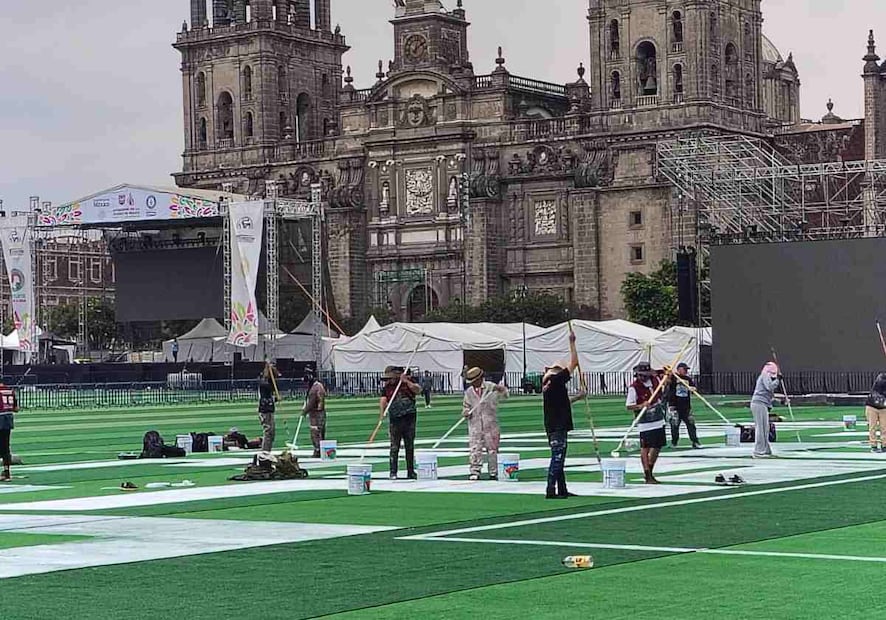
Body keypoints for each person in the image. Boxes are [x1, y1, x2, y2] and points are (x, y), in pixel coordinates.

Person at [542, 331, 586, 499]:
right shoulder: (556, 380)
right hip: (557, 424)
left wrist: (578, 397)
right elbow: (574, 363)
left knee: (559, 456)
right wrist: (572, 343)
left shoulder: (548, 384)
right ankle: (550, 489)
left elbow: (562, 402)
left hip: (553, 423)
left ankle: (562, 488)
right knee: (558, 456)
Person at [463, 367, 509, 481]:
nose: (473, 383)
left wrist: (501, 389)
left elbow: (505, 395)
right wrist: (465, 412)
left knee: (492, 448)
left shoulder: (491, 387)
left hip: (490, 423)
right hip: (475, 424)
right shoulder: (469, 392)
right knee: (475, 448)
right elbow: (465, 406)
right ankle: (475, 470)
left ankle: (493, 472)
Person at [626, 362, 667, 484]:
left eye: (644, 375)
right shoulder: (634, 387)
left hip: (659, 419)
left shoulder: (654, 381)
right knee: (645, 448)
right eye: (640, 375)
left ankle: (650, 468)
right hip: (645, 422)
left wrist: (666, 377)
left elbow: (663, 383)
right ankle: (647, 473)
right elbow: (629, 406)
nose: (642, 377)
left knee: (658, 446)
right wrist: (641, 405)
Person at [379, 366, 421, 480]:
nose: (389, 380)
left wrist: (406, 381)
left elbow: (418, 390)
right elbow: (383, 400)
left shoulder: (407, 382)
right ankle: (393, 472)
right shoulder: (387, 387)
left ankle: (410, 471)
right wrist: (382, 415)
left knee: (409, 445)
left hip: (409, 417)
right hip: (395, 419)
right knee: (394, 447)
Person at [667, 363, 702, 449]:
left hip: (686, 406)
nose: (686, 371)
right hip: (674, 406)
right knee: (674, 425)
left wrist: (693, 388)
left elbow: (694, 388)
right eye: (684, 369)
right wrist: (669, 374)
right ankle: (674, 442)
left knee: (691, 424)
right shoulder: (674, 377)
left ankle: (695, 441)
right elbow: (667, 382)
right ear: (679, 369)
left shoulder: (688, 379)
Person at [751, 362, 782, 458]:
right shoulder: (765, 375)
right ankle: (759, 451)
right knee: (761, 428)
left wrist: (781, 401)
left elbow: (770, 395)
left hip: (763, 404)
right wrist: (777, 380)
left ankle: (766, 450)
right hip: (759, 403)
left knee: (765, 428)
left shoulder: (766, 377)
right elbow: (769, 387)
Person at [302, 371, 327, 458]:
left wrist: (304, 411)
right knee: (321, 431)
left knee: (315, 432)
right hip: (321, 412)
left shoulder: (314, 388)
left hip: (316, 413)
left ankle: (317, 450)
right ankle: (321, 449)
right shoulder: (319, 386)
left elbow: (311, 402)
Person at [258, 364, 279, 453]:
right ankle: (265, 452)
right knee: (268, 432)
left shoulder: (269, 383)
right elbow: (267, 396)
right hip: (265, 411)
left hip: (269, 410)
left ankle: (267, 451)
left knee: (271, 433)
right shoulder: (264, 383)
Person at [864, 373, 886, 453]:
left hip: (883, 407)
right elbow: (880, 385)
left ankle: (884, 445)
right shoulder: (881, 378)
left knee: (884, 427)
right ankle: (873, 445)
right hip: (872, 406)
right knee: (872, 426)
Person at [0, 383, 16, 482]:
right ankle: (7, 472)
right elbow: (16, 408)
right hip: (8, 418)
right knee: (6, 446)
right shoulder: (10, 390)